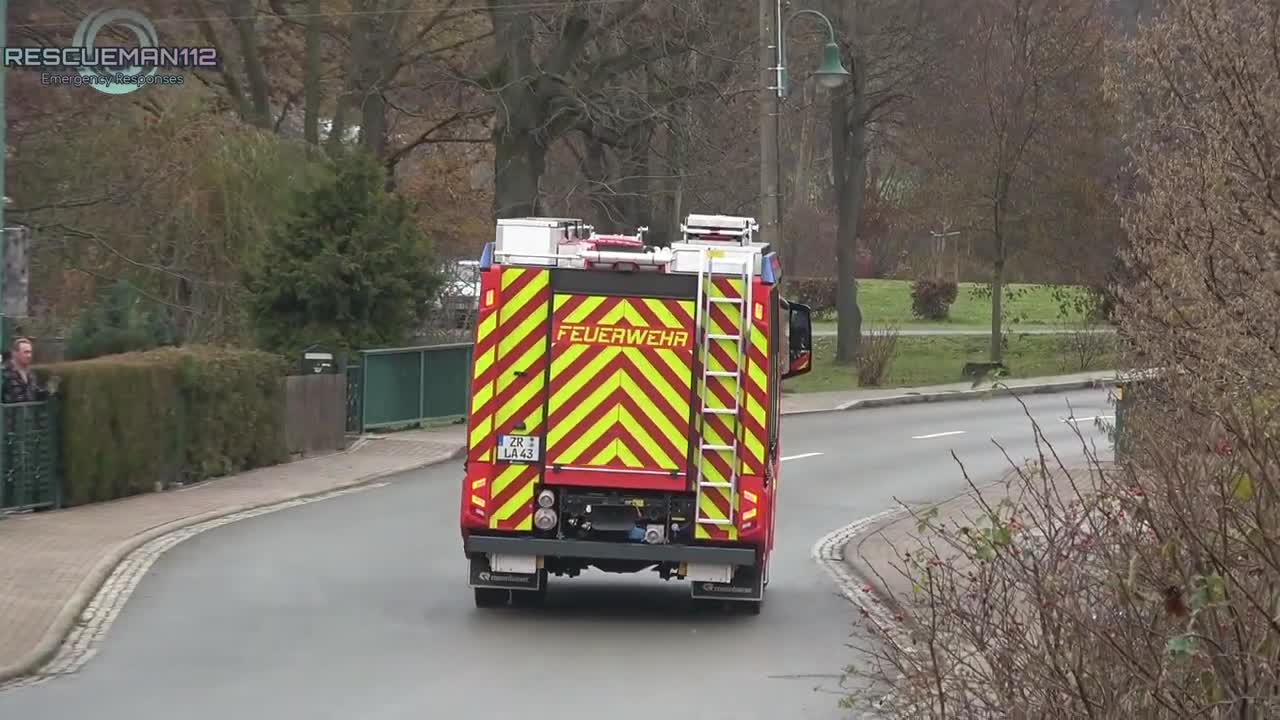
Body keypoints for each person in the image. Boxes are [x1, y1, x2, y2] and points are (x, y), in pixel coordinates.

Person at [2, 337, 50, 404]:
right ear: (15, 353)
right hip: (10, 413)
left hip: (29, 414)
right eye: (26, 352)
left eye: (30, 352)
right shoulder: (4, 372)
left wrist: (48, 390)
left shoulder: (30, 374)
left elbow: (33, 394)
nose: (29, 355)